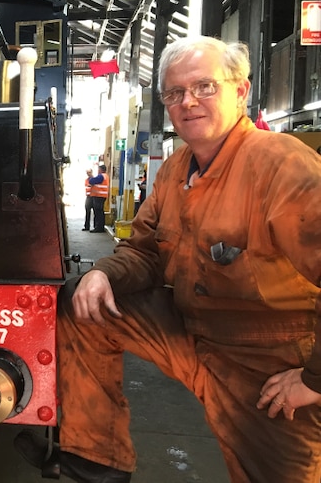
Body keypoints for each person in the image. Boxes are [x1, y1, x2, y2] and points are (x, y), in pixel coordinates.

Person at [54, 36, 321, 482]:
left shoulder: (282, 165)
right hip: (189, 332)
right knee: (81, 305)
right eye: (175, 93)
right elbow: (144, 251)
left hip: (267, 356)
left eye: (205, 87)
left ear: (241, 91)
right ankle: (96, 459)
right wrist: (101, 274)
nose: (188, 102)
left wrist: (314, 381)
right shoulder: (178, 169)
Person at [87, 164, 109, 233]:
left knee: (98, 212)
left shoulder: (101, 176)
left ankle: (98, 227)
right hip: (101, 196)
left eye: (99, 169)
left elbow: (91, 181)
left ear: (101, 170)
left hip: (99, 196)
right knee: (100, 212)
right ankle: (100, 227)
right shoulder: (105, 176)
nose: (98, 170)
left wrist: (90, 176)